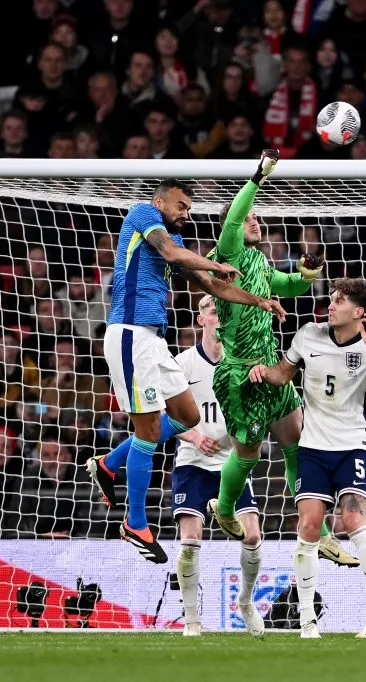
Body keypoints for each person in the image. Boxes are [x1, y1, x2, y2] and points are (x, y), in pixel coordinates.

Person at [87, 177, 284, 564]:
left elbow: (215, 286)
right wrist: (214, 262)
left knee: (186, 416)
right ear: (160, 202)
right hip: (129, 333)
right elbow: (177, 256)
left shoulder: (175, 247)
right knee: (147, 429)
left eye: (189, 209)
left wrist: (260, 301)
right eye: (180, 206)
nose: (185, 213)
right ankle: (136, 522)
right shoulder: (143, 216)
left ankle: (109, 464)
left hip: (153, 340)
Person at [206, 150, 355, 570]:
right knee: (250, 455)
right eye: (250, 216)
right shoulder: (229, 251)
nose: (254, 220)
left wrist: (306, 275)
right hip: (239, 374)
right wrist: (258, 175)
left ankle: (322, 536)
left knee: (297, 449)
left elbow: (285, 286)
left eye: (258, 217)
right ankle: (224, 505)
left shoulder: (258, 260)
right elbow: (234, 219)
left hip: (271, 368)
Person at [249, 278, 366, 639]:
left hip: (352, 446)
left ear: (358, 313)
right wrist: (262, 371)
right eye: (332, 299)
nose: (330, 305)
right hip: (313, 448)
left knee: (353, 521)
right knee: (308, 528)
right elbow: (282, 374)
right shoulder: (309, 334)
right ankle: (307, 621)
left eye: (339, 301)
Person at [170, 295, 263, 637]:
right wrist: (193, 436)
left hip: (230, 463)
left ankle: (246, 601)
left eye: (224, 311)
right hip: (193, 463)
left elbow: (257, 413)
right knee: (191, 540)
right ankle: (192, 619)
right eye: (212, 310)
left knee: (252, 535)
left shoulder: (242, 364)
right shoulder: (181, 364)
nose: (219, 316)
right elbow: (165, 415)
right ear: (201, 320)